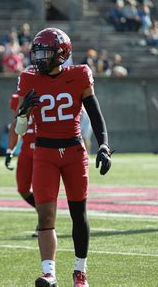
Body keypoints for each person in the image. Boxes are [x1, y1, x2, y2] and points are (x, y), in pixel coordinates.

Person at [15, 28, 113, 287]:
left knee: (78, 214)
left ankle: (80, 272)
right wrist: (23, 113)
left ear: (61, 54)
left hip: (73, 151)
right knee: (45, 215)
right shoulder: (28, 78)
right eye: (37, 53)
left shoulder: (79, 75)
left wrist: (104, 146)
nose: (39, 59)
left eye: (45, 53)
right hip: (44, 152)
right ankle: (49, 272)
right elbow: (20, 130)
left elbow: (95, 114)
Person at [5, 92, 38, 237]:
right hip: (26, 149)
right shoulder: (17, 98)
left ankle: (45, 221)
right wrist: (10, 150)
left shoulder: (47, 92)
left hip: (44, 148)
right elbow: (15, 125)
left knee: (41, 189)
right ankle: (46, 212)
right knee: (23, 188)